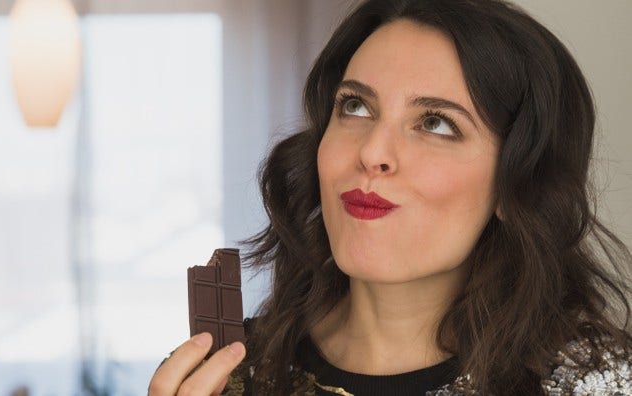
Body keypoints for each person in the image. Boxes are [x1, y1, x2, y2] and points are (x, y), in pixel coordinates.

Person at [149, 0, 632, 394]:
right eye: (355, 106)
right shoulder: (216, 379)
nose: (373, 152)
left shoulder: (598, 384)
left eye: (436, 123)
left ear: (517, 184)